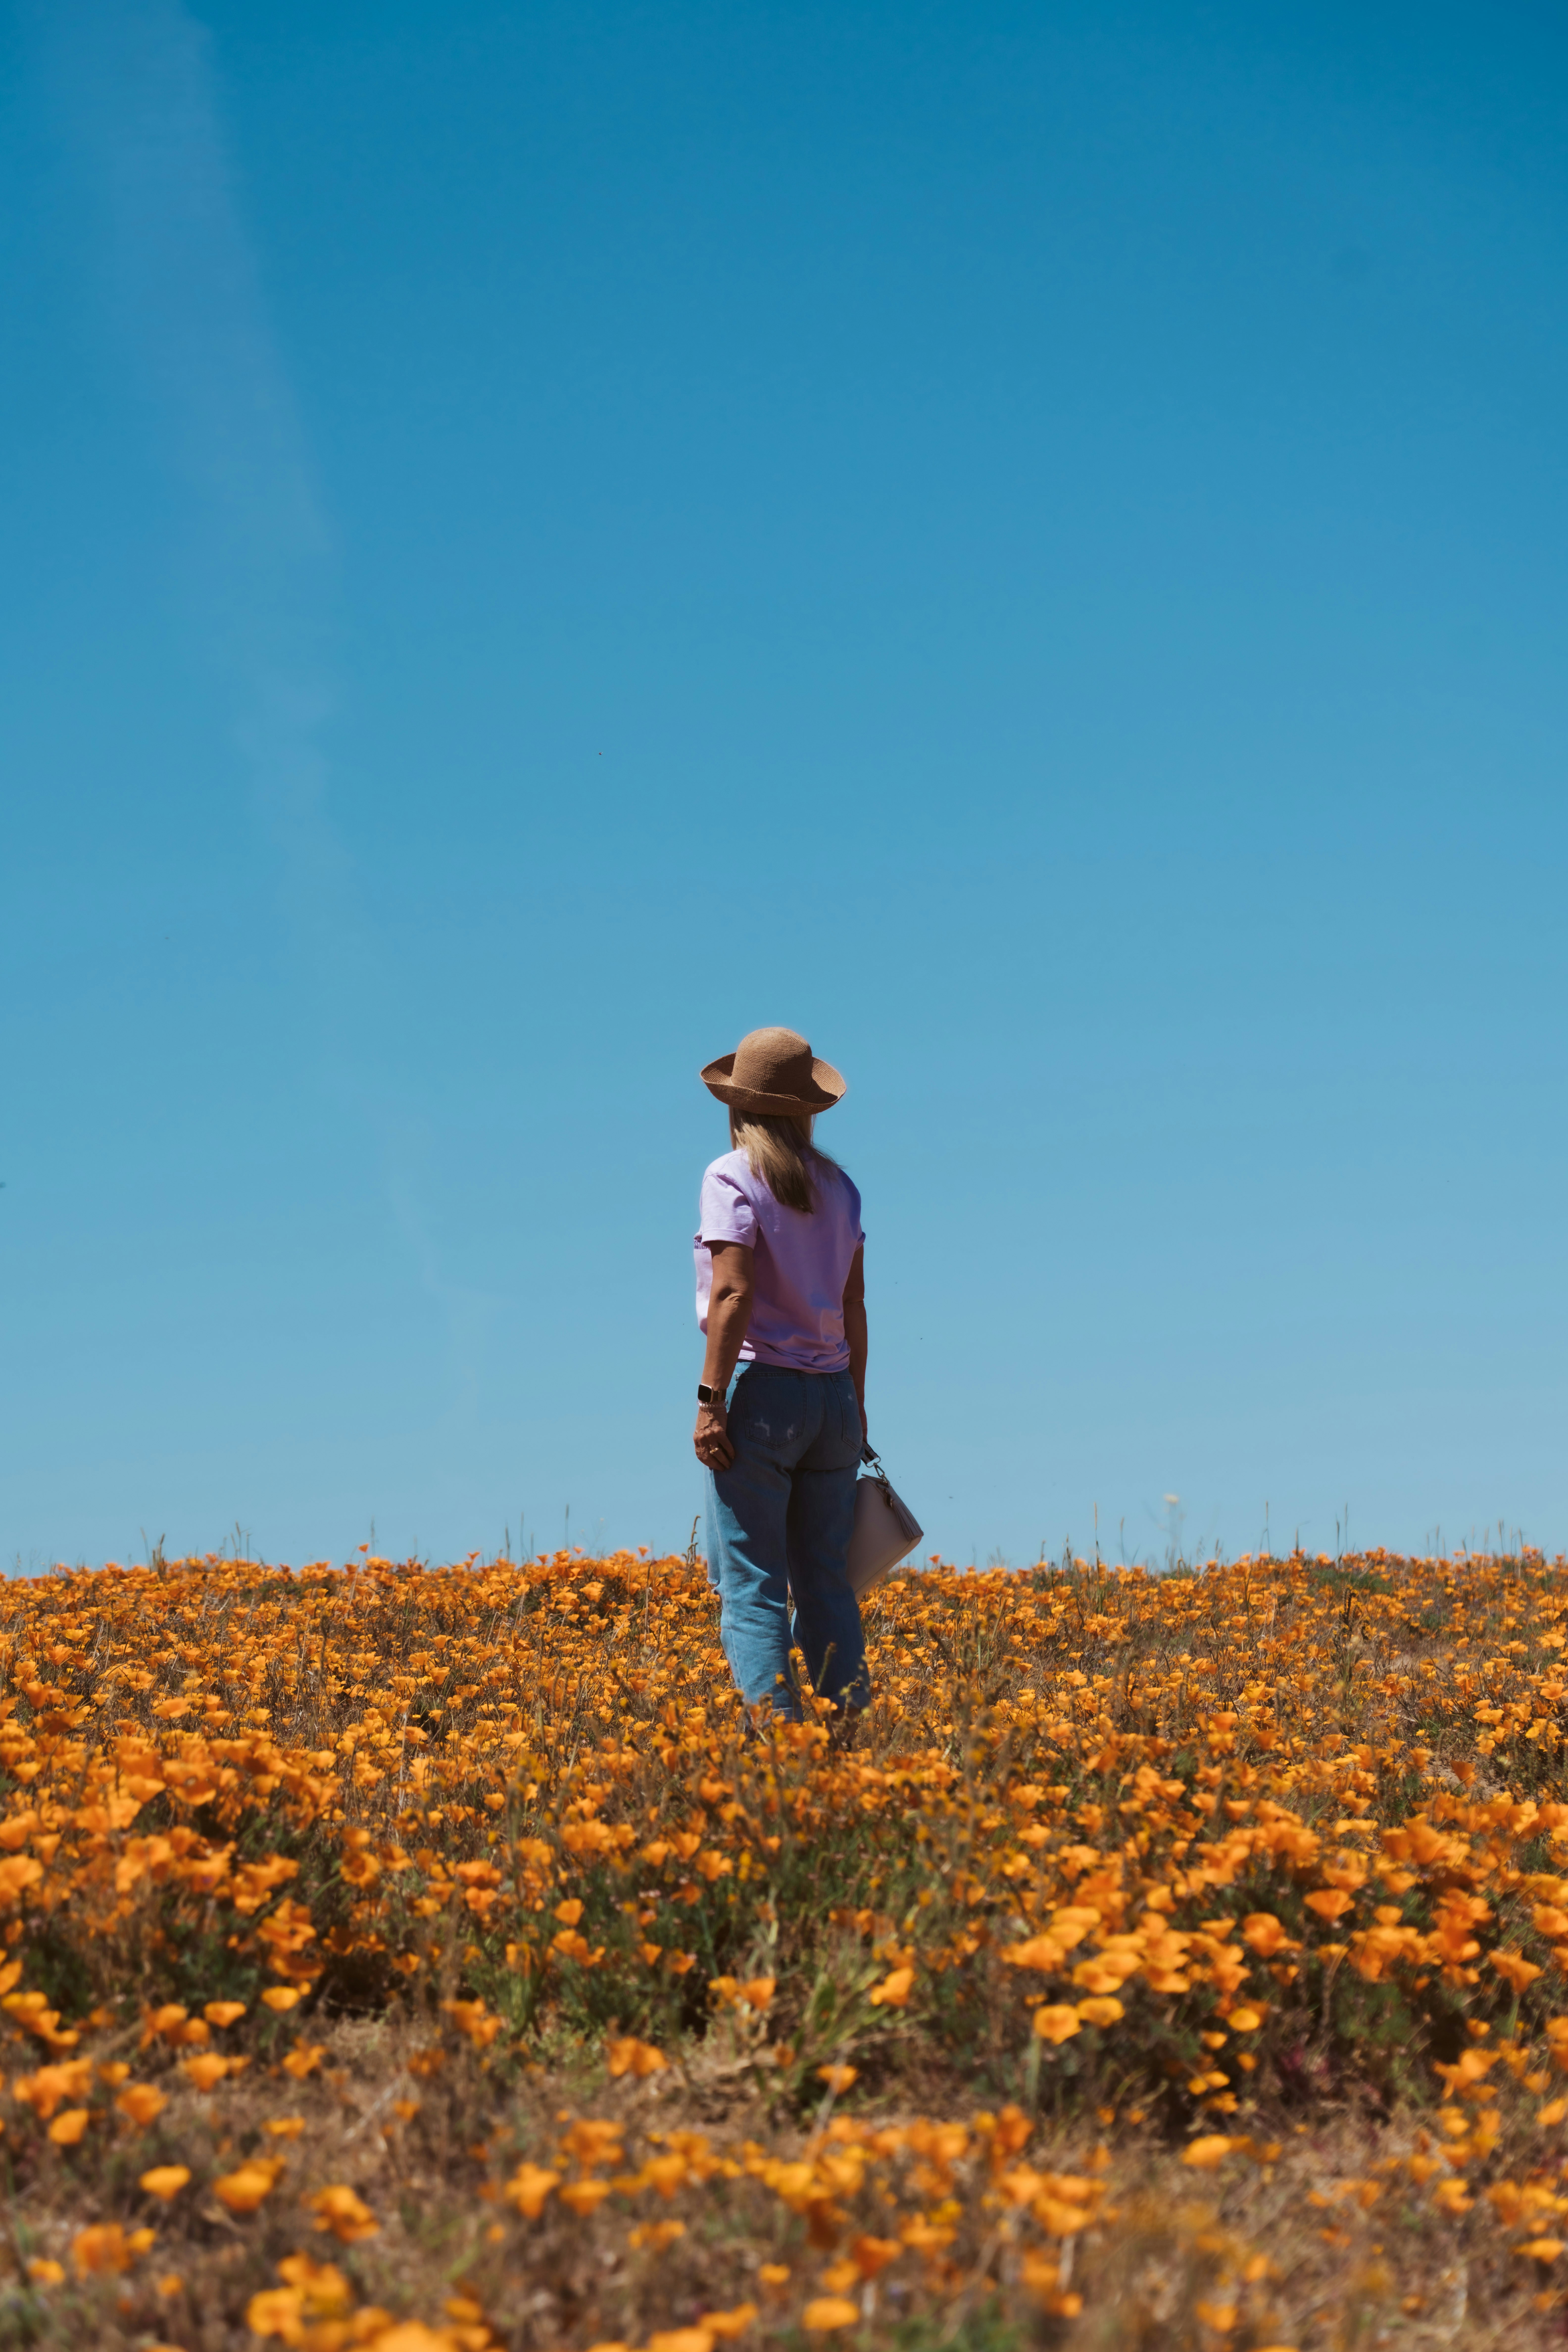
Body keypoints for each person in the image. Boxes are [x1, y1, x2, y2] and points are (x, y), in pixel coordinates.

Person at [692, 1026, 870, 1723]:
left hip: (762, 1390)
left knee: (753, 1585)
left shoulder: (730, 1176)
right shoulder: (842, 1189)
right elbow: (855, 1304)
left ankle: (777, 1750)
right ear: (805, 1109)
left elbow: (733, 1294)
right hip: (832, 1396)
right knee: (826, 1581)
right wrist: (855, 1407)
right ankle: (847, 1732)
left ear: (741, 1105)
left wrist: (711, 1399)